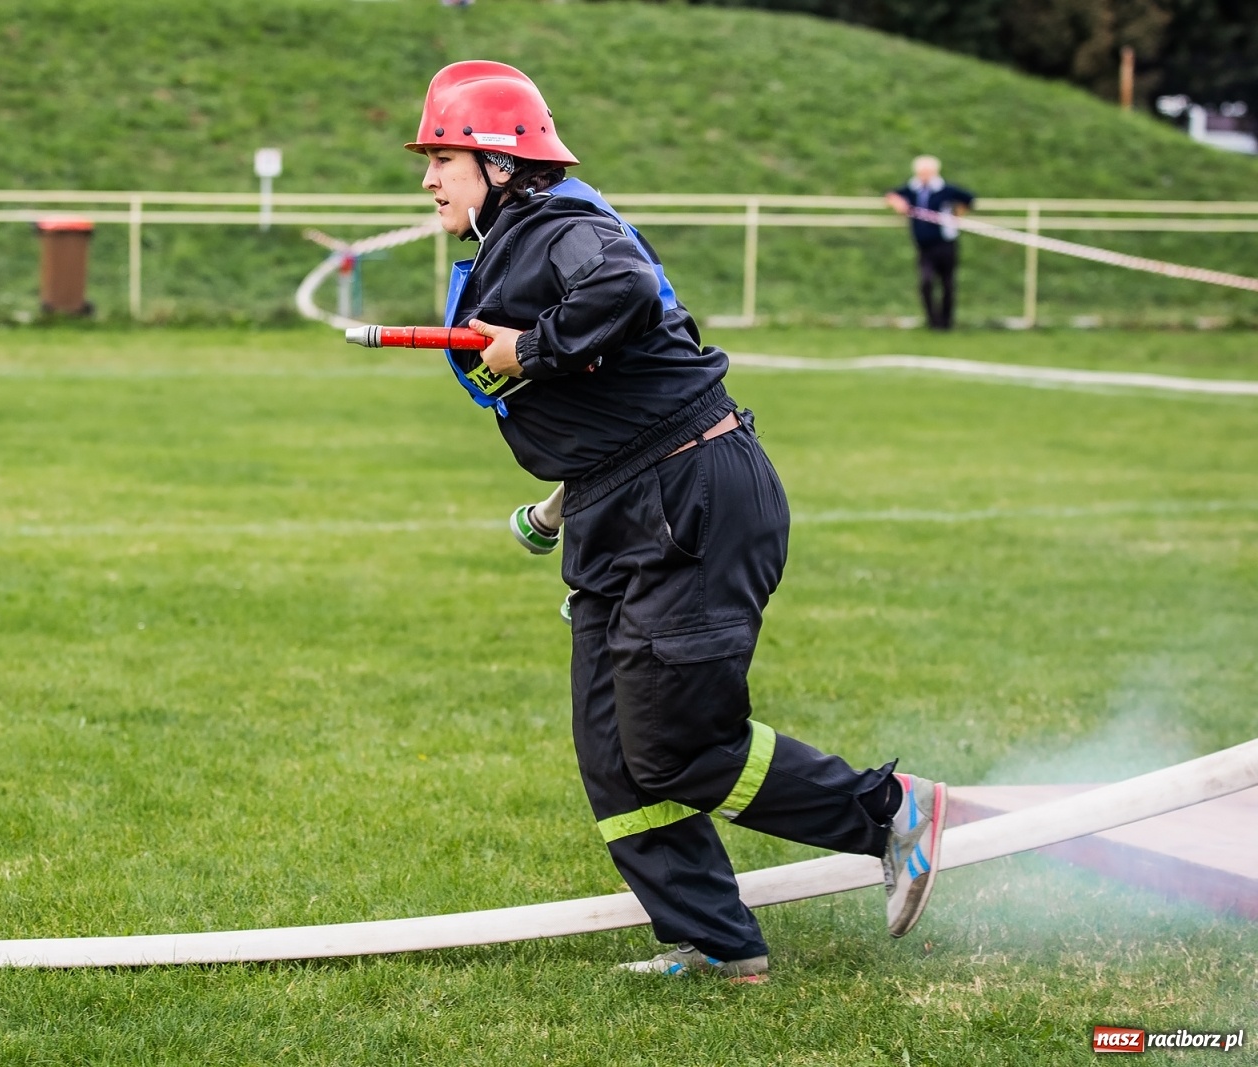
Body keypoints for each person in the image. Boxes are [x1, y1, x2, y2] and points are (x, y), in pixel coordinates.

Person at [405, 62, 947, 979]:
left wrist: (528, 347)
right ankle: (716, 941)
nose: (428, 179)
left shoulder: (563, 225)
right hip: (623, 505)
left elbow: (616, 287)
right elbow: (609, 408)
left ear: (499, 162)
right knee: (614, 749)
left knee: (676, 744)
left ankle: (893, 810)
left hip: (689, 500)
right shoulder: (524, 237)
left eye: (442, 157)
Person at [885, 156, 974, 330]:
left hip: (945, 243)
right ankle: (932, 321)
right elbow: (891, 193)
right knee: (925, 281)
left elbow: (969, 198)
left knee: (947, 283)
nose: (924, 176)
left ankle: (946, 323)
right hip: (924, 245)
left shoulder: (945, 189)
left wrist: (957, 215)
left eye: (927, 172)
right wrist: (897, 202)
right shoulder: (913, 189)